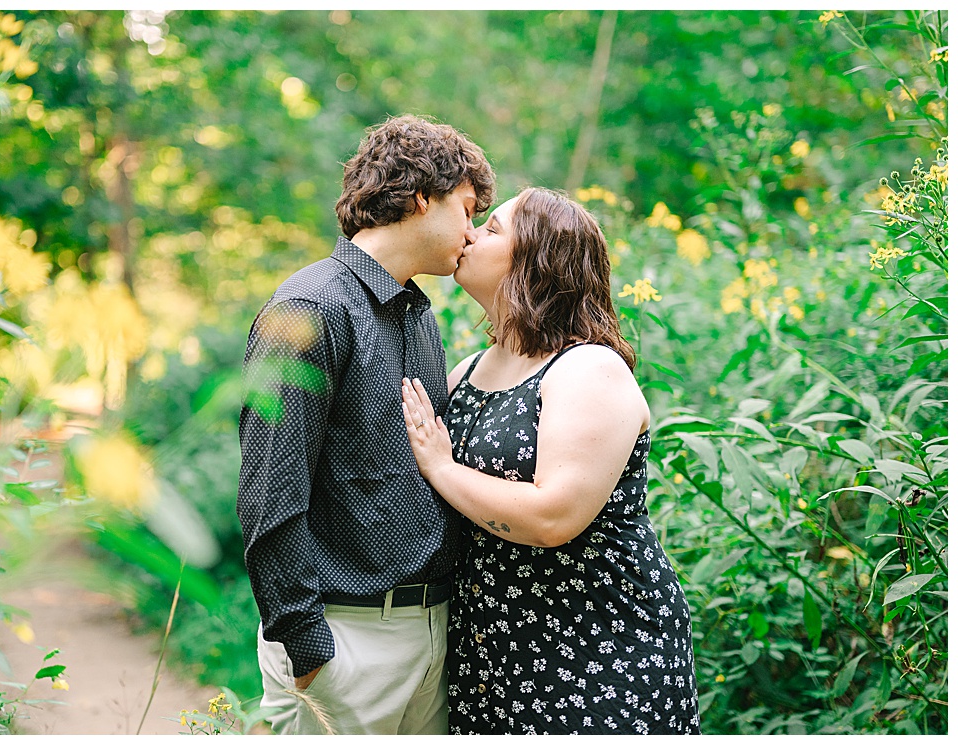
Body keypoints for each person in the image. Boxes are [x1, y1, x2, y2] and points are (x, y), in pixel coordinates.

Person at [399, 187, 700, 734]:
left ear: (538, 262)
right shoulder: (469, 370)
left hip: (598, 651)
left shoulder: (588, 369)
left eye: (493, 229)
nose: (469, 233)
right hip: (494, 658)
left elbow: (554, 516)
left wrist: (443, 468)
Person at [236, 115, 495, 735]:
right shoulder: (310, 309)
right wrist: (308, 649)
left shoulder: (418, 314)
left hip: (429, 637)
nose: (472, 230)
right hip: (343, 641)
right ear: (420, 198)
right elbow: (269, 492)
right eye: (465, 208)